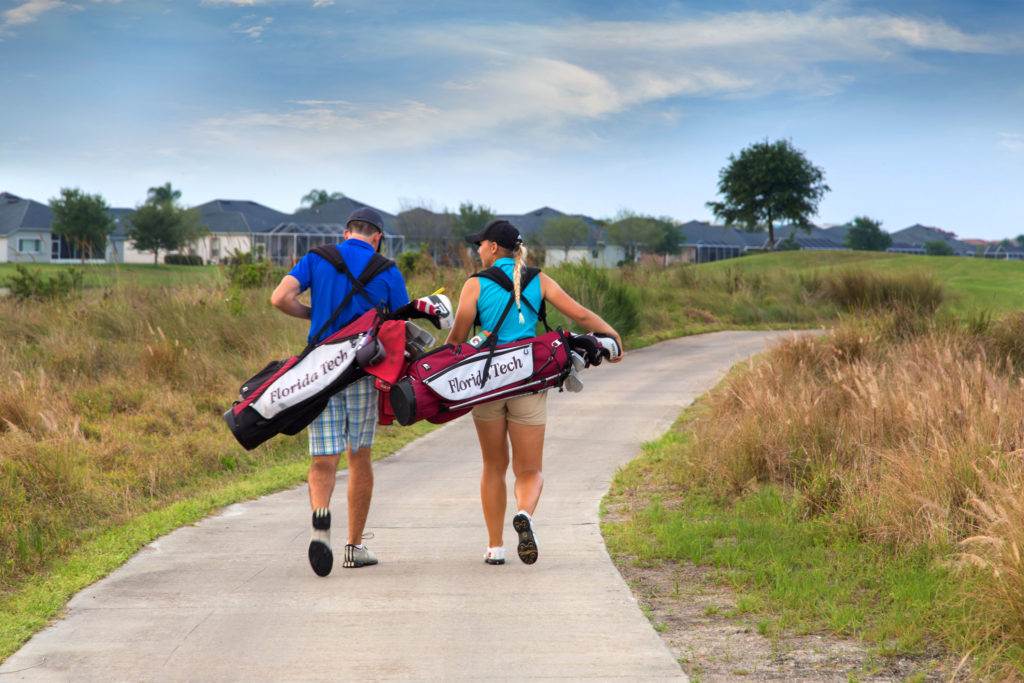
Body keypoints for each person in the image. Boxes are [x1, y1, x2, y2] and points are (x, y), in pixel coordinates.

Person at [445, 219, 623, 566]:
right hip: (528, 382)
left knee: (493, 465)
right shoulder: (539, 280)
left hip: (487, 386)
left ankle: (495, 547)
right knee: (529, 470)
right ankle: (524, 513)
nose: (478, 249)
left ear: (494, 248)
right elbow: (581, 314)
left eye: (480, 244)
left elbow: (456, 340)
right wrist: (613, 336)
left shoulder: (475, 285)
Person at [270, 207, 410, 577]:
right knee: (359, 456)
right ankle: (355, 546)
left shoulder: (317, 258)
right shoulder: (387, 270)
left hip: (319, 371)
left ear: (346, 232)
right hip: (362, 373)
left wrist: (312, 315)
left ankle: (320, 518)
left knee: (323, 458)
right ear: (377, 237)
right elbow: (400, 327)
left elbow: (279, 298)